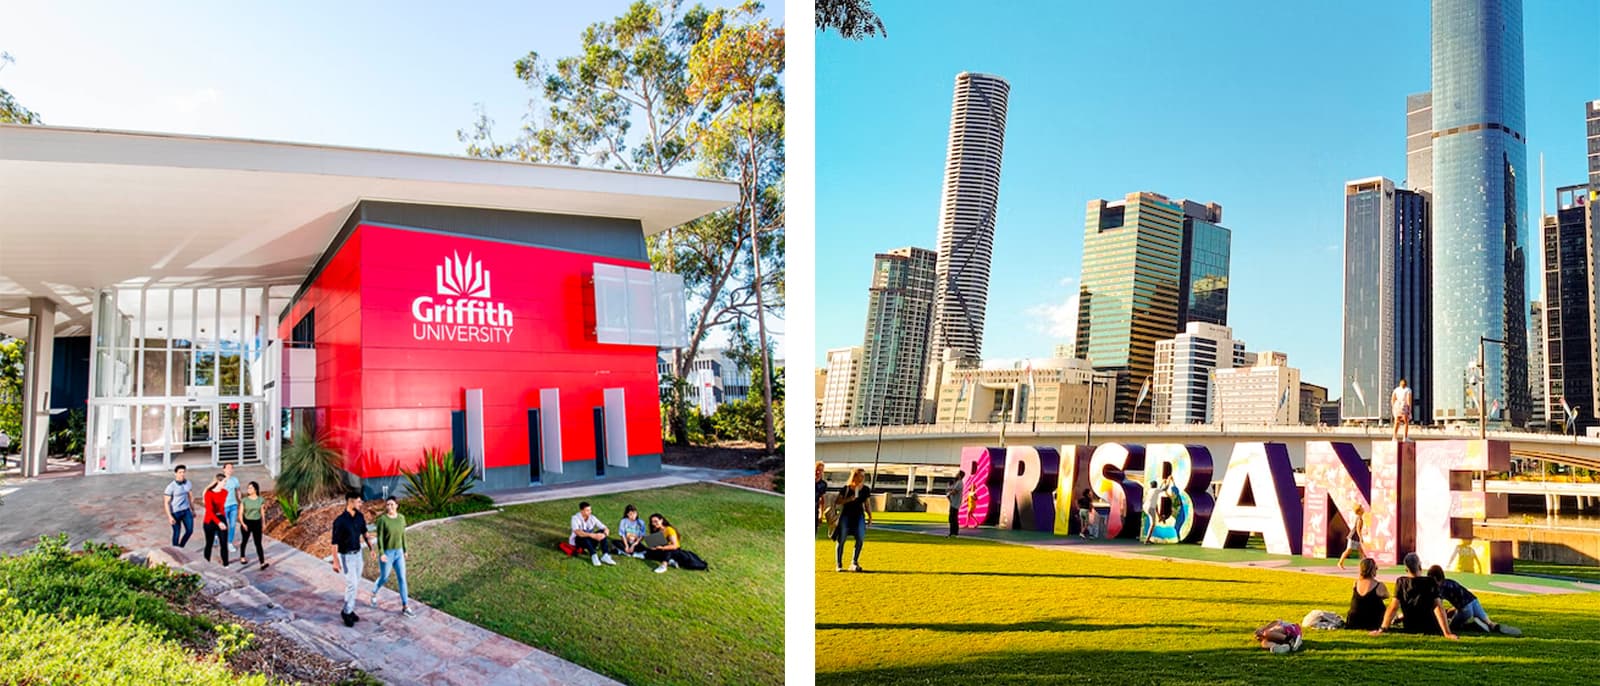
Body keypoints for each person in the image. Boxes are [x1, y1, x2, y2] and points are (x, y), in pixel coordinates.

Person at [1370, 553, 1457, 639]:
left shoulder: (1401, 582)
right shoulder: (1430, 582)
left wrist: (1382, 628)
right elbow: (1438, 607)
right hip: (1430, 627)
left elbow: (1393, 607)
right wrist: (1447, 633)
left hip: (1410, 626)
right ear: (1420, 566)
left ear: (1406, 569)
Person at [331, 492, 377, 627]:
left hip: (358, 555)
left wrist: (371, 549)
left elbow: (365, 533)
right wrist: (335, 561)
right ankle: (346, 612)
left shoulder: (359, 517)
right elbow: (334, 543)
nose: (361, 504)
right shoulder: (340, 521)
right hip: (346, 556)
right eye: (359, 502)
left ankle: (349, 610)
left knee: (355, 583)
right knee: (352, 584)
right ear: (350, 502)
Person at [1429, 565, 1518, 635]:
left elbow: (1439, 606)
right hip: (1473, 600)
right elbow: (1460, 596)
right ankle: (1492, 625)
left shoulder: (1440, 588)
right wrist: (1452, 609)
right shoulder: (1450, 582)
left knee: (1452, 626)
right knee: (1488, 621)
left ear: (1435, 579)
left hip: (1465, 609)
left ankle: (1473, 626)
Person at [371, 496, 415, 617]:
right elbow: (379, 537)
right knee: (384, 577)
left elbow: (403, 535)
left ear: (396, 506)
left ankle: (405, 606)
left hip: (399, 552)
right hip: (388, 553)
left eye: (391, 504)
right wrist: (382, 553)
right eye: (387, 505)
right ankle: (374, 592)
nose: (389, 507)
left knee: (402, 578)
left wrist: (405, 550)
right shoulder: (382, 520)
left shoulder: (401, 518)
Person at [834, 468, 872, 572]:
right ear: (855, 476)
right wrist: (849, 499)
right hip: (846, 515)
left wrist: (870, 516)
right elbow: (837, 501)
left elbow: (867, 504)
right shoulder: (846, 488)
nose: (862, 478)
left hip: (859, 515)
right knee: (841, 539)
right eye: (860, 475)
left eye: (864, 476)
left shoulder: (865, 489)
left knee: (860, 538)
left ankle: (854, 562)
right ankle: (839, 564)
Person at [1345, 557, 1390, 630]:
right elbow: (1387, 595)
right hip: (1372, 622)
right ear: (1372, 570)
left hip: (1353, 621)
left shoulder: (1355, 583)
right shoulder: (1379, 585)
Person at [570, 501, 616, 566]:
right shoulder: (575, 518)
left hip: (590, 541)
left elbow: (605, 528)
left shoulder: (592, 518)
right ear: (582, 511)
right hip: (579, 542)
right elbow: (578, 532)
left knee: (602, 532)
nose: (590, 511)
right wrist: (592, 535)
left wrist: (604, 534)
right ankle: (594, 555)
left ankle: (605, 555)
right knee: (583, 536)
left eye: (590, 510)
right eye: (587, 510)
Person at [200, 473, 230, 565]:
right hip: (210, 520)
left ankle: (226, 565)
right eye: (224, 482)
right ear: (218, 481)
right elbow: (209, 510)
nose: (225, 484)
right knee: (209, 543)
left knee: (224, 543)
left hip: (220, 517)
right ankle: (206, 564)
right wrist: (219, 523)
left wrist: (224, 520)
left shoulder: (225, 492)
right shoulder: (209, 493)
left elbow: (222, 508)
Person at [238, 481, 268, 569]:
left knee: (258, 543)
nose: (248, 489)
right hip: (247, 522)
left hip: (257, 523)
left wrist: (263, 523)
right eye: (248, 488)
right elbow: (240, 513)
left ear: (255, 489)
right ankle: (242, 557)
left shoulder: (260, 500)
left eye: (250, 488)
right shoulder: (244, 500)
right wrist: (243, 523)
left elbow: (262, 512)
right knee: (244, 541)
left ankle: (262, 563)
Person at [163, 464, 195, 548]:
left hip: (186, 510)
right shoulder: (171, 487)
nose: (182, 474)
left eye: (183, 472)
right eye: (180, 472)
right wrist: (170, 516)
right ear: (176, 473)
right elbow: (166, 503)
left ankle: (181, 547)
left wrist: (193, 509)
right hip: (175, 512)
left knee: (190, 530)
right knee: (177, 532)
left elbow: (190, 496)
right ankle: (175, 549)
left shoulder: (188, 483)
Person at [1337, 504, 1366, 570]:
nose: (1363, 509)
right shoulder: (1359, 519)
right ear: (1359, 511)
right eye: (1362, 508)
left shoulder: (1360, 518)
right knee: (1348, 550)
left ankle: (1364, 566)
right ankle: (1340, 563)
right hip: (1353, 536)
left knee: (1361, 551)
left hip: (1356, 537)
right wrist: (1361, 537)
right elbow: (1358, 529)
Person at [945, 470, 966, 537]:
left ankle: (953, 532)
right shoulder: (957, 482)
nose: (956, 475)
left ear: (959, 475)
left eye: (957, 474)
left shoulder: (959, 483)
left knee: (953, 518)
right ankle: (953, 532)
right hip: (953, 502)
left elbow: (954, 491)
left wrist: (949, 493)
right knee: (952, 518)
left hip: (955, 503)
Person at [814, 461, 829, 527]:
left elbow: (821, 500)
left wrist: (821, 515)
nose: (818, 472)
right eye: (817, 470)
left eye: (820, 470)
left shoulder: (823, 484)